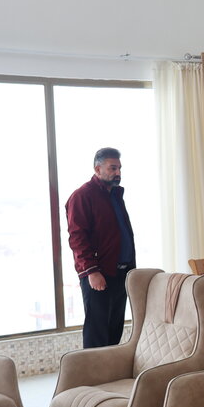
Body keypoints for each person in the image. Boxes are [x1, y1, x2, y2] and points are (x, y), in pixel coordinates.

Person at [66, 147, 137, 349]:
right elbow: (77, 238)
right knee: (97, 332)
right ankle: (93, 371)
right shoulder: (82, 196)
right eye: (112, 168)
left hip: (121, 272)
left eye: (119, 168)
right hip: (99, 273)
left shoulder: (115, 195)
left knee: (115, 329)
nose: (118, 173)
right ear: (98, 169)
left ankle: (111, 369)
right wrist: (92, 271)